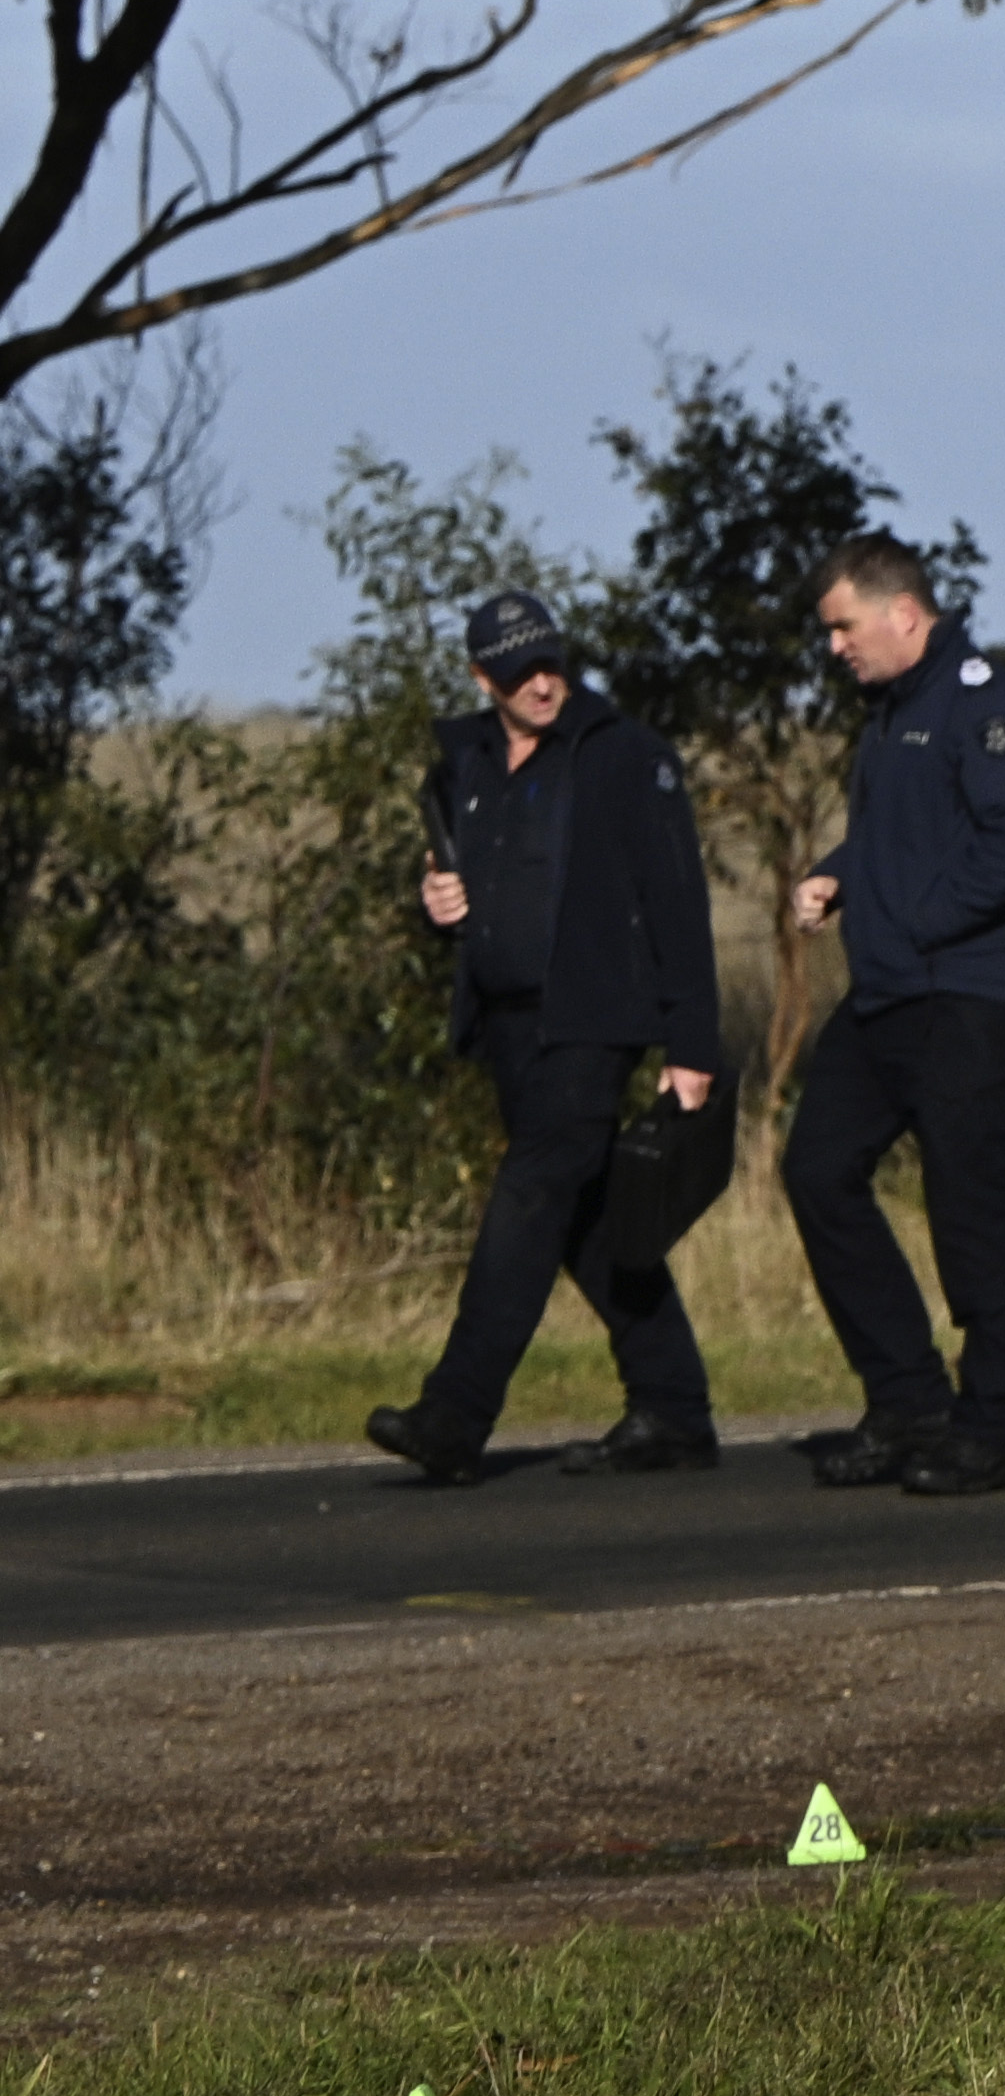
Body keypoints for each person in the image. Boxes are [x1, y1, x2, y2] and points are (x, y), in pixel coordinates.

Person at [369, 585, 730, 1484]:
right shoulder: (463, 767)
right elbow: (462, 889)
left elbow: (679, 903)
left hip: (595, 1017)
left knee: (530, 1196)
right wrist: (438, 905)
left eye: (550, 661)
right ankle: (674, 1408)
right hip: (508, 1024)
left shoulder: (627, 758)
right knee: (588, 1222)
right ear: (479, 674)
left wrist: (694, 1044)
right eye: (518, 668)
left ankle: (455, 1417)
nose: (540, 681)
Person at [778, 532, 1005, 1494]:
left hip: (971, 993)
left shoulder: (985, 702)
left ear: (903, 612)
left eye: (844, 628)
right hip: (890, 993)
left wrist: (920, 917)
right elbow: (894, 839)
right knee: (817, 1171)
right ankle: (906, 1402)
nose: (835, 649)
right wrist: (835, 877)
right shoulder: (890, 713)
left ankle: (993, 1425)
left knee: (968, 1204)